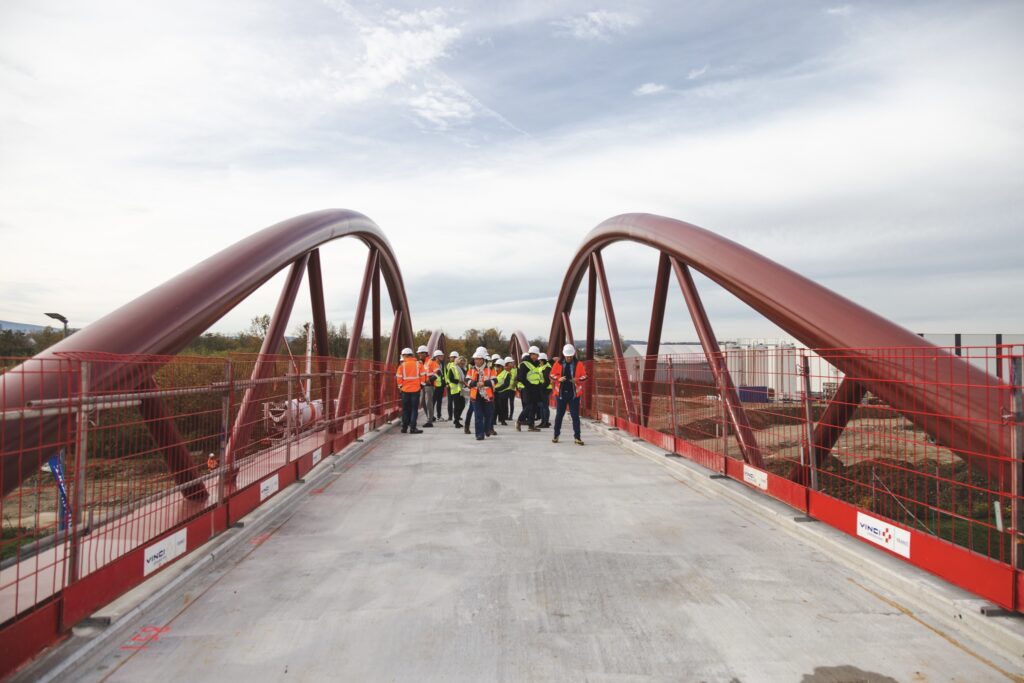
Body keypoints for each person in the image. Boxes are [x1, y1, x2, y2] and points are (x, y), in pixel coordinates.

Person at [550, 344, 587, 445]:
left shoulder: (578, 364)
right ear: (564, 355)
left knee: (575, 416)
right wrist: (558, 378)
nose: (569, 358)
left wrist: (578, 379)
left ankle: (577, 437)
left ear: (573, 355)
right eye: (567, 356)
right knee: (559, 416)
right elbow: (551, 375)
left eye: (570, 356)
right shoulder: (558, 363)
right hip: (561, 394)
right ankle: (556, 435)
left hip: (574, 395)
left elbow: (584, 376)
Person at [465, 349, 496, 441]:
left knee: (488, 415)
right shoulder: (471, 370)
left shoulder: (490, 370)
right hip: (476, 396)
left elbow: (495, 381)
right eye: (475, 359)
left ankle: (487, 429)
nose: (476, 361)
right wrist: (475, 384)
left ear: (483, 360)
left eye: (478, 359)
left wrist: (484, 383)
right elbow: (467, 381)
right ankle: (479, 434)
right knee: (478, 415)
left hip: (487, 396)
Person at [396, 347, 425, 434]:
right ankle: (413, 428)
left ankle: (404, 428)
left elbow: (399, 378)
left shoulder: (402, 366)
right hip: (416, 390)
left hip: (405, 390)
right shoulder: (418, 364)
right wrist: (422, 385)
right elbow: (423, 375)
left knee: (405, 409)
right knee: (414, 409)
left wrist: (401, 387)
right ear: (411, 355)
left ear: (405, 355)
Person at [516, 346, 544, 432]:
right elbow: (521, 377)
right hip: (528, 388)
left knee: (534, 407)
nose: (537, 356)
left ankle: (531, 426)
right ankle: (519, 420)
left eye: (537, 355)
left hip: (536, 388)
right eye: (535, 354)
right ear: (531, 354)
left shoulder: (536, 364)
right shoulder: (524, 364)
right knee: (529, 406)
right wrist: (529, 385)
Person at [417, 345, 438, 427]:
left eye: (420, 353)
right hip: (422, 385)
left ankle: (430, 421)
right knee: (422, 403)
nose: (419, 355)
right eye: (418, 353)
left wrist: (431, 379)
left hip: (430, 385)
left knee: (428, 402)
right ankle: (430, 417)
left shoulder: (431, 362)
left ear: (425, 353)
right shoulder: (420, 363)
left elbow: (438, 373)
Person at [446, 351, 464, 427]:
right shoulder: (452, 368)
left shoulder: (462, 369)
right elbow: (450, 378)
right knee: (457, 406)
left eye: (463, 363)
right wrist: (458, 381)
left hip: (461, 390)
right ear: (458, 362)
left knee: (462, 405)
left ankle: (456, 419)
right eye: (461, 362)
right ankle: (456, 422)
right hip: (455, 390)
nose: (462, 364)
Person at [537, 352, 553, 428]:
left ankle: (545, 422)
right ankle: (543, 421)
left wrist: (541, 388)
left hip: (546, 389)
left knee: (545, 406)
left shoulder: (547, 368)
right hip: (542, 388)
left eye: (540, 360)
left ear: (543, 360)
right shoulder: (541, 367)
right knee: (541, 406)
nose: (539, 361)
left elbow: (547, 381)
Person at [431, 349, 446, 421]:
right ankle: (431, 416)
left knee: (439, 401)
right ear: (436, 357)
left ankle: (439, 416)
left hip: (441, 386)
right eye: (441, 355)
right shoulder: (432, 364)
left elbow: (444, 374)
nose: (442, 356)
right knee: (433, 401)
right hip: (434, 386)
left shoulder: (442, 364)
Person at [504, 356, 517, 423]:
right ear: (507, 363)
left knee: (511, 403)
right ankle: (505, 415)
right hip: (505, 389)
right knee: (505, 403)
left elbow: (516, 379)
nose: (512, 363)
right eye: (511, 362)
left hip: (512, 389)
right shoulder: (504, 370)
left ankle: (510, 416)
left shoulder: (515, 370)